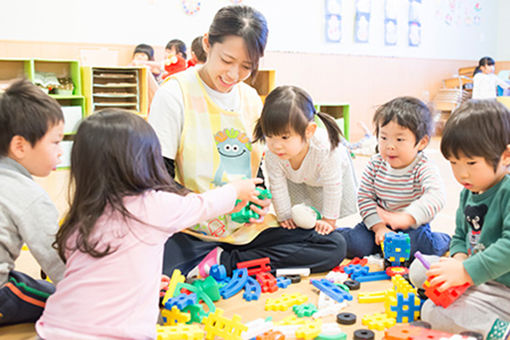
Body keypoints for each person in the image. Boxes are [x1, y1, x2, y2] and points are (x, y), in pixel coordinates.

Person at [149, 5, 346, 279]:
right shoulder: (174, 94)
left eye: (246, 66)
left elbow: (259, 166)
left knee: (332, 246)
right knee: (149, 265)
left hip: (245, 229)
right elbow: (158, 179)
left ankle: (225, 262)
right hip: (190, 230)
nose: (233, 74)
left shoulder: (252, 99)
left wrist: (259, 200)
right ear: (207, 43)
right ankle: (224, 262)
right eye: (226, 60)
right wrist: (221, 199)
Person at [35, 109, 262, 339]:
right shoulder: (151, 206)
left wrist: (146, 281)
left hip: (54, 327)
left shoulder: (81, 215)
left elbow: (98, 275)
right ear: (144, 161)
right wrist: (236, 190)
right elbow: (203, 205)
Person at [409, 100, 510, 338]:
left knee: (433, 313)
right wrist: (459, 258)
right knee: (418, 269)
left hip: (504, 289)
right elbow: (460, 236)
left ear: (506, 155)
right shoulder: (469, 191)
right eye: (454, 163)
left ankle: (501, 331)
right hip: (477, 279)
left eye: (471, 163)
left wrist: (465, 270)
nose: (461, 173)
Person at [338, 97, 451, 260]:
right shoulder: (376, 163)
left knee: (415, 251)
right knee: (355, 245)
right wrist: (379, 227)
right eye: (384, 138)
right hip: (378, 223)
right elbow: (364, 197)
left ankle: (442, 240)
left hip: (412, 227)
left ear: (421, 142)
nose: (390, 146)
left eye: (399, 139)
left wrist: (407, 217)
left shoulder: (423, 167)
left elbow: (436, 197)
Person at [0, 79, 66, 325]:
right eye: (56, 142)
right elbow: (58, 262)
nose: (60, 151)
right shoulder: (28, 195)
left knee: (28, 282)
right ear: (19, 146)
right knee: (59, 297)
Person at [253, 85, 357, 235]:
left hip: (332, 177)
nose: (276, 145)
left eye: (284, 137)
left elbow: (332, 187)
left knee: (338, 223)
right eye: (269, 136)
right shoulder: (273, 152)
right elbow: (277, 185)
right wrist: (284, 216)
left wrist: (329, 220)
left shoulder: (325, 149)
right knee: (299, 217)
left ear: (309, 131)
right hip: (297, 177)